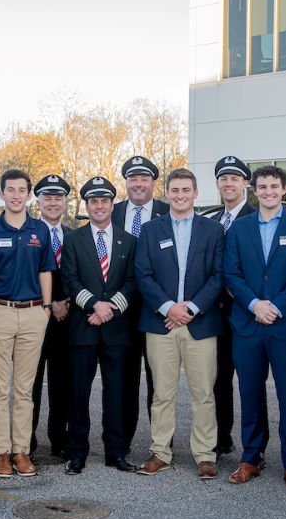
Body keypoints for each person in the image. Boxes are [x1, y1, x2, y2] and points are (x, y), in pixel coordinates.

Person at [223, 165, 286, 491]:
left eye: (274, 186)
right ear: (254, 190)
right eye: (262, 187)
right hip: (248, 324)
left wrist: (274, 307)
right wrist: (254, 305)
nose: (268, 192)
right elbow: (231, 273)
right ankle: (251, 457)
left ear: (284, 189)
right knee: (249, 393)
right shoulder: (240, 228)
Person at [135, 168, 224, 479]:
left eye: (186, 190)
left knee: (203, 393)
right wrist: (169, 308)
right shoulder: (150, 230)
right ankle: (160, 451)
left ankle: (205, 454)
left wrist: (192, 307)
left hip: (200, 322)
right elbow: (142, 274)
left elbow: (218, 275)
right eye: (175, 190)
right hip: (161, 323)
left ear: (196, 193)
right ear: (167, 193)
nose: (180, 195)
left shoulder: (213, 230)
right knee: (162, 392)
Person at [0, 169, 55, 478]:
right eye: (10, 190)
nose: (16, 195)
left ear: (28, 195)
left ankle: (22, 451)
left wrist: (46, 308)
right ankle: (1, 452)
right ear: (2, 194)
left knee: (24, 389)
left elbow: (46, 270)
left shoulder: (40, 231)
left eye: (22, 190)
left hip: (33, 313)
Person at [61, 176, 138, 475]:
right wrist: (94, 304)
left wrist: (110, 309)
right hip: (83, 327)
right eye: (93, 201)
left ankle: (115, 452)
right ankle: (77, 452)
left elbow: (132, 282)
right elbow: (69, 279)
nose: (99, 206)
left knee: (116, 393)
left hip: (116, 329)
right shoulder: (73, 239)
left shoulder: (128, 240)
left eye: (104, 201)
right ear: (87, 205)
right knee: (78, 393)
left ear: (111, 204)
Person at [112, 155, 169, 451]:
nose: (138, 184)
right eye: (133, 179)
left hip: (157, 309)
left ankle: (162, 443)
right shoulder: (112, 211)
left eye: (144, 179)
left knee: (160, 380)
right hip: (120, 310)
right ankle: (123, 442)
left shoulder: (169, 212)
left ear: (153, 183)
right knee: (124, 379)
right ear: (126, 183)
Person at [207, 156, 259, 458]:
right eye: (223, 179)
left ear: (245, 183)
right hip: (217, 314)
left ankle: (254, 448)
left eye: (235, 178)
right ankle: (220, 438)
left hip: (247, 312)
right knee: (219, 380)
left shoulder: (256, 217)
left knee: (251, 384)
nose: (228, 184)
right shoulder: (213, 222)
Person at [31, 174, 73, 458]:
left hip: (66, 318)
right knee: (30, 384)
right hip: (35, 315)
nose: (53, 203)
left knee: (62, 383)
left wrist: (65, 301)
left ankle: (59, 439)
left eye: (58, 197)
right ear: (39, 202)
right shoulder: (30, 234)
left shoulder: (74, 236)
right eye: (48, 197)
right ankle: (27, 442)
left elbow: (81, 274)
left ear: (65, 202)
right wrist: (48, 303)